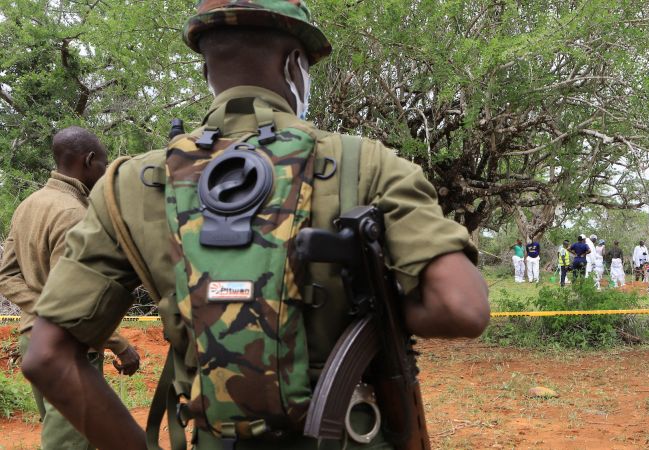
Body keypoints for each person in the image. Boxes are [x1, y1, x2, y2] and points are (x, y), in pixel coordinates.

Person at [21, 3, 490, 449]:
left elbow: (46, 357)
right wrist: (366, 313)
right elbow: (462, 307)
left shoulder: (126, 186)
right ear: (294, 66)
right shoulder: (367, 165)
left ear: (207, 69)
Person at [0, 127, 140, 450]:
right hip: (69, 347)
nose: (105, 174)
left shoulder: (28, 205)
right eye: (103, 166)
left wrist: (44, 311)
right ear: (89, 161)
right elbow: (76, 302)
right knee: (70, 444)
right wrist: (119, 344)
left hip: (32, 341)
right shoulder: (76, 216)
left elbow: (6, 277)